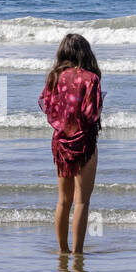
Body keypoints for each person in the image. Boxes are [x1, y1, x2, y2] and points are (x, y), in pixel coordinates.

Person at [39, 33, 103, 253]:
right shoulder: (91, 79)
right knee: (82, 201)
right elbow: (90, 114)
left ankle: (62, 250)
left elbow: (48, 107)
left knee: (63, 201)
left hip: (61, 142)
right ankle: (78, 253)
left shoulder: (54, 77)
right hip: (84, 142)